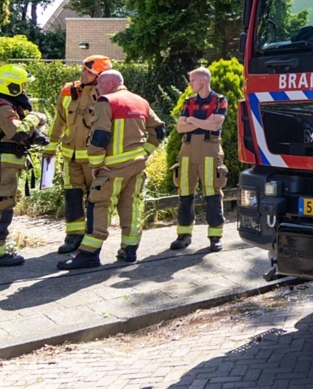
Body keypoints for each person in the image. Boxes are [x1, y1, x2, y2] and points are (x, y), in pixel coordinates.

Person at [58, 70, 165, 270]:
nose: (96, 88)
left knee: (99, 205)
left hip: (112, 168)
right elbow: (159, 131)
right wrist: (145, 152)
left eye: (99, 84)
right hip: (135, 165)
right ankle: (129, 249)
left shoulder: (106, 101)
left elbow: (100, 135)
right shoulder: (140, 101)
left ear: (109, 84)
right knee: (131, 205)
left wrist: (96, 164)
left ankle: (89, 254)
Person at [42, 55, 113, 254]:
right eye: (82, 70)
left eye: (88, 72)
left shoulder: (106, 93)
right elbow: (59, 121)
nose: (82, 74)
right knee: (72, 195)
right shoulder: (68, 90)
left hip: (94, 159)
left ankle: (93, 235)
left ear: (100, 76)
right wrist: (51, 145)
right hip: (70, 157)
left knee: (96, 198)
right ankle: (73, 236)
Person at [0, 64, 48, 267]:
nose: (25, 90)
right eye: (22, 85)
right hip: (2, 168)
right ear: (11, 87)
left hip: (7, 167)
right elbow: (17, 133)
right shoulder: (1, 107)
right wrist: (36, 117)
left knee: (3, 207)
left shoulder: (8, 106)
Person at [171, 67, 228, 252]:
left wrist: (192, 120)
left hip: (209, 149)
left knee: (212, 191)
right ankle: (183, 235)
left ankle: (215, 237)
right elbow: (180, 127)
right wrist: (201, 122)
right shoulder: (188, 101)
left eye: (192, 80)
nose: (189, 83)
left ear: (204, 80)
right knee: (185, 191)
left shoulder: (219, 100)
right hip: (187, 149)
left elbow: (215, 124)